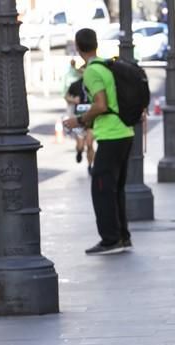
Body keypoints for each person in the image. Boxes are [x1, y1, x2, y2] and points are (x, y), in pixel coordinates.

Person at [63, 28, 134, 255]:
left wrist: (80, 120)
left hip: (111, 134)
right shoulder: (107, 65)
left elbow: (101, 104)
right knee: (117, 188)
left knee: (101, 189)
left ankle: (110, 239)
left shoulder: (93, 71)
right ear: (96, 44)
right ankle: (123, 236)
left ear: (77, 46)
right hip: (125, 131)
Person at [65, 74, 96, 171]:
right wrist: (73, 100)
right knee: (80, 145)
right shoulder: (75, 84)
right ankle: (79, 151)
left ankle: (90, 166)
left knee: (90, 143)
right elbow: (66, 96)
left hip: (91, 117)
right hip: (78, 118)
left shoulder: (95, 84)